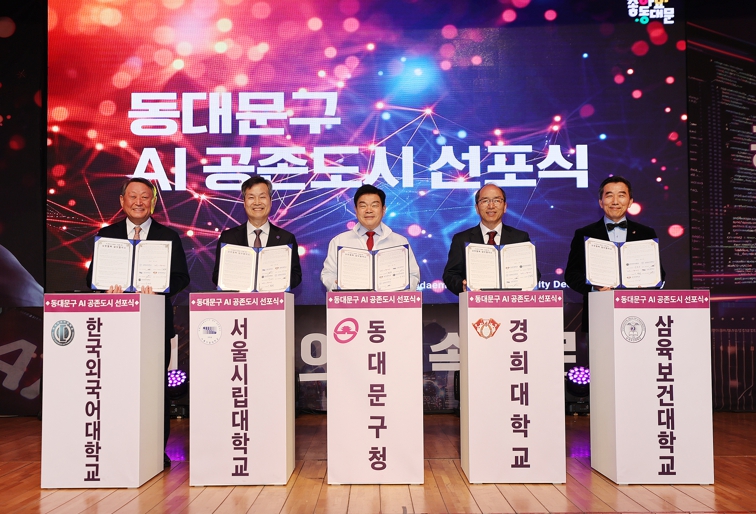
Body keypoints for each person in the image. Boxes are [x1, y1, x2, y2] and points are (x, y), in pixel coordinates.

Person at [85, 177, 190, 467]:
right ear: (122, 201)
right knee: (117, 387)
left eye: (145, 197)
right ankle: (117, 450)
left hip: (155, 325)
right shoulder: (107, 235)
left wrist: (159, 288)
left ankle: (156, 451)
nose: (139, 202)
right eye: (133, 196)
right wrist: (104, 288)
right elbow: (91, 278)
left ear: (153, 202)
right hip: (116, 326)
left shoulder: (168, 236)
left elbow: (182, 277)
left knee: (155, 390)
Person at [565, 175, 665, 331]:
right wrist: (594, 288)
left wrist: (648, 285)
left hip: (638, 311)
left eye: (621, 195)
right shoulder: (584, 234)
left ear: (630, 202)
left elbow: (660, 274)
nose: (615, 201)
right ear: (601, 202)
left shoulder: (646, 233)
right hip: (598, 311)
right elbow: (571, 275)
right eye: (609, 195)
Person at [321, 184, 420, 291]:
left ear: (383, 210)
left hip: (390, 301)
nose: (369, 210)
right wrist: (336, 284)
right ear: (356, 210)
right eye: (363, 206)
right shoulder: (339, 241)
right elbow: (328, 274)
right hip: (352, 301)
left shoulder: (400, 241)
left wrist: (399, 290)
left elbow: (413, 275)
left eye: (374, 205)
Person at [211, 176, 302, 290]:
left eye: (262, 197)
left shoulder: (286, 238)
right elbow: (217, 275)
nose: (257, 202)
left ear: (270, 201)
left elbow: (296, 276)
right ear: (244, 202)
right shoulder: (228, 237)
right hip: (239, 299)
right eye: (251, 197)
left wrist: (276, 282)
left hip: (273, 299)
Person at [443, 184, 535, 295]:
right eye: (485, 201)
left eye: (497, 200)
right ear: (477, 208)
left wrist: (525, 283)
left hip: (511, 302)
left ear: (505, 207)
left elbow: (533, 273)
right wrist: (462, 285)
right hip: (476, 303)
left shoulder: (520, 238)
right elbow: (450, 275)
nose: (491, 206)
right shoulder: (461, 239)